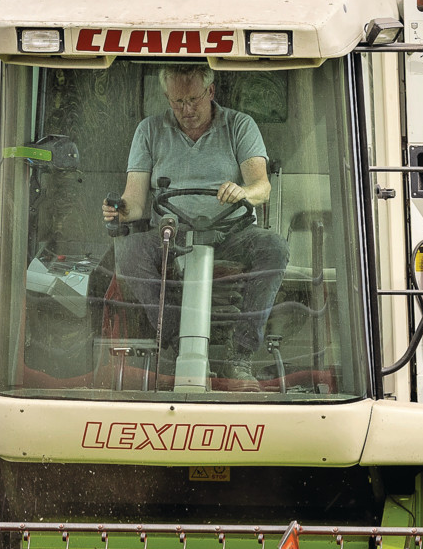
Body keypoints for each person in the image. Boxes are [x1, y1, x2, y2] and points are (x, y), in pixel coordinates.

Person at [101, 65, 289, 356]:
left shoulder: (240, 125)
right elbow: (134, 203)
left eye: (193, 99)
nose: (186, 109)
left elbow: (261, 187)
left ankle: (242, 352)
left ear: (210, 91)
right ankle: (175, 340)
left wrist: (243, 192)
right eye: (177, 101)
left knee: (274, 248)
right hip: (171, 236)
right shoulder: (149, 131)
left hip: (231, 233)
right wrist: (120, 211)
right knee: (128, 251)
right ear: (167, 97)